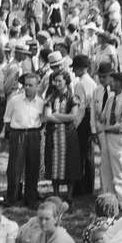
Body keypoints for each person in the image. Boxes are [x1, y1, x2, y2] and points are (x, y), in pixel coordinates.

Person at [94, 65, 122, 210]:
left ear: (121, 84)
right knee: (106, 169)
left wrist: (106, 128)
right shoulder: (111, 100)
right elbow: (104, 117)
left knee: (120, 170)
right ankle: (109, 199)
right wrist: (100, 118)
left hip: (120, 139)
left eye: (114, 81)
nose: (111, 83)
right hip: (108, 138)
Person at [3, 72, 44, 207]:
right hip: (18, 134)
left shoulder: (41, 102)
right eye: (25, 85)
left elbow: (42, 121)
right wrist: (14, 135)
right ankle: (12, 197)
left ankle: (31, 198)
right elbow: (7, 120)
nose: (27, 87)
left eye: (30, 85)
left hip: (34, 134)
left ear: (37, 86)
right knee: (15, 168)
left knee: (33, 167)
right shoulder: (15, 100)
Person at [42, 70, 82, 200]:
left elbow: (73, 116)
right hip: (53, 135)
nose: (57, 83)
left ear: (66, 81)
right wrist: (63, 118)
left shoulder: (73, 97)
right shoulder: (51, 97)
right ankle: (56, 194)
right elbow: (47, 116)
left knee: (70, 163)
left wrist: (57, 115)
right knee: (54, 163)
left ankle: (69, 196)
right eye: (56, 81)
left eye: (60, 81)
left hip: (68, 135)